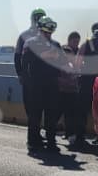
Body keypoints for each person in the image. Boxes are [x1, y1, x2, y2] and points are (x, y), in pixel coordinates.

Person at [22, 16, 64, 151]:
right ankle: (33, 141)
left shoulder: (56, 45)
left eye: (50, 33)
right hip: (36, 85)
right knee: (35, 114)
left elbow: (63, 62)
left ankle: (51, 140)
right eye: (46, 32)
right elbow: (25, 63)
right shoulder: (30, 43)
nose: (48, 35)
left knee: (51, 114)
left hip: (52, 85)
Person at [13, 8, 46, 136]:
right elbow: (17, 56)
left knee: (38, 107)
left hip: (40, 79)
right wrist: (20, 74)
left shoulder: (45, 36)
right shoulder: (24, 36)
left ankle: (35, 133)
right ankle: (34, 135)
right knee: (32, 107)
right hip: (30, 78)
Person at [60, 31, 85, 147]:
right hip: (63, 88)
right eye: (75, 41)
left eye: (78, 42)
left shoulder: (77, 52)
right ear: (70, 40)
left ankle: (69, 133)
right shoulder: (65, 50)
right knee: (62, 112)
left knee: (71, 113)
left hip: (72, 88)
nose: (76, 44)